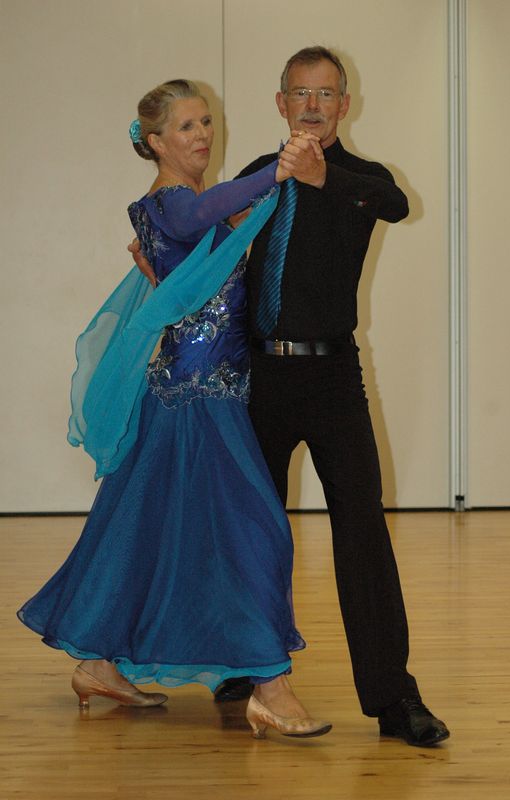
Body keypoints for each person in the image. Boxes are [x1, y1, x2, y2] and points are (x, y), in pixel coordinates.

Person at [133, 48, 450, 748]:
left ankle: (394, 701)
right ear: (281, 104)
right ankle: (245, 668)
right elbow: (204, 255)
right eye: (300, 93)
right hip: (258, 380)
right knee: (248, 532)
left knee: (362, 533)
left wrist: (321, 175)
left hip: (334, 381)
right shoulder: (257, 175)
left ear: (344, 106)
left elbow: (395, 207)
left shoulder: (363, 179)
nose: (312, 105)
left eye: (326, 94)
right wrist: (160, 268)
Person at [17, 79, 332, 740]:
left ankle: (98, 663)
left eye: (206, 122)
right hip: (198, 398)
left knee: (137, 530)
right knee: (256, 532)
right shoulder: (171, 203)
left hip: (196, 393)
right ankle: (271, 687)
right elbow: (196, 218)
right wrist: (274, 172)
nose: (203, 135)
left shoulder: (187, 211)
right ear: (156, 142)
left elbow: (199, 261)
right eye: (187, 126)